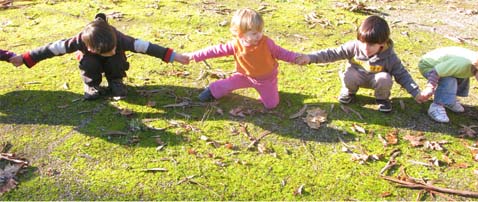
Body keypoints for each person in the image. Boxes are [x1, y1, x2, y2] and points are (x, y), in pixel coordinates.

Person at [10, 13, 189, 100]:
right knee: (89, 62)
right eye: (106, 50)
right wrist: (25, 58)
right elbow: (50, 49)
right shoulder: (77, 42)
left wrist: (175, 56)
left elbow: (149, 47)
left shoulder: (122, 40)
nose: (110, 51)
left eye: (112, 48)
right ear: (89, 45)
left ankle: (116, 82)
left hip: (116, 63)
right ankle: (92, 86)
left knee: (116, 59)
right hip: (90, 61)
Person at [296, 15, 427, 112]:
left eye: (371, 44)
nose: (365, 47)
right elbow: (331, 53)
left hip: (375, 80)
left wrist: (416, 92)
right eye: (362, 42)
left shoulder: (390, 57)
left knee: (384, 78)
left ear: (382, 43)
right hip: (356, 76)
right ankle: (349, 92)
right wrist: (310, 57)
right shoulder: (353, 47)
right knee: (349, 74)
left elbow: (402, 74)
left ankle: (382, 99)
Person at [187, 8, 305, 109]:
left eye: (261, 31)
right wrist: (195, 55)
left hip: (266, 79)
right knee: (227, 84)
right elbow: (215, 50)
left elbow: (281, 52)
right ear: (240, 34)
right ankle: (212, 90)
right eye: (254, 33)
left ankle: (269, 91)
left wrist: (296, 58)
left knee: (271, 105)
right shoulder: (235, 45)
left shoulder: (267, 43)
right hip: (244, 76)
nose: (259, 35)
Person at [418, 47, 478, 123]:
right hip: (428, 66)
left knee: (462, 77)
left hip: (446, 68)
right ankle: (436, 106)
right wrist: (430, 87)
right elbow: (436, 72)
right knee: (449, 81)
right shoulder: (462, 64)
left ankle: (449, 100)